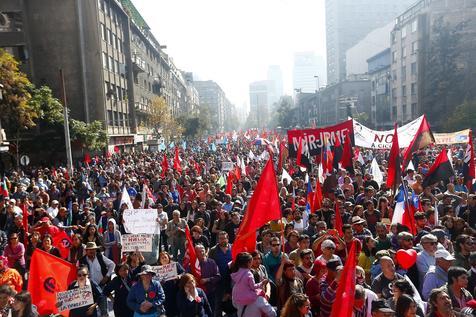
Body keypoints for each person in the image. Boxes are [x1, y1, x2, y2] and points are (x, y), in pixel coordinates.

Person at [157, 251, 184, 317]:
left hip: (175, 291)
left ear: (169, 258)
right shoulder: (157, 269)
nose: (164, 259)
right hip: (164, 293)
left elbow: (184, 272)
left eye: (165, 257)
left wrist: (179, 276)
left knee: (175, 310)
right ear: (160, 260)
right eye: (162, 258)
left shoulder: (175, 265)